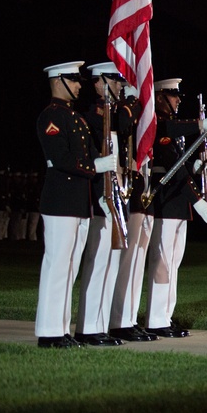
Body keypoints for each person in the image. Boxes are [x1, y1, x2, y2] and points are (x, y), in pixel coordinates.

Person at [34, 61, 117, 348]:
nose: (80, 85)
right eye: (74, 80)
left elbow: (90, 153)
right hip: (60, 202)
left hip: (78, 203)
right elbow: (61, 159)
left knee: (69, 267)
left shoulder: (75, 118)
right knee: (57, 265)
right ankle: (48, 332)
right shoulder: (52, 117)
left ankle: (60, 329)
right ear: (59, 81)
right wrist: (96, 165)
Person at [143, 78, 207, 338]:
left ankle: (165, 315)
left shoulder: (172, 130)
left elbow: (181, 167)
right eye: (173, 95)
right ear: (160, 97)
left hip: (178, 204)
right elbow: (172, 170)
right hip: (166, 202)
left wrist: (198, 169)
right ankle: (156, 319)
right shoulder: (159, 125)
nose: (178, 100)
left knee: (173, 263)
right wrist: (196, 199)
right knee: (162, 262)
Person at [73, 62, 129, 346]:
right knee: (98, 262)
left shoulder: (114, 114)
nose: (121, 85)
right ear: (99, 82)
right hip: (101, 197)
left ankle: (101, 324)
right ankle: (88, 327)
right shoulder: (94, 117)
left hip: (117, 196)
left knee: (111, 262)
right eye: (115, 80)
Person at [109, 82, 158, 342]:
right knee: (125, 261)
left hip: (138, 189)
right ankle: (118, 320)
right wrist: (129, 107)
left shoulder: (133, 111)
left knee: (136, 262)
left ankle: (127, 318)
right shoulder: (120, 111)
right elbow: (121, 131)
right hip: (125, 188)